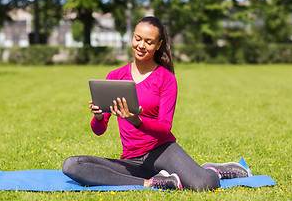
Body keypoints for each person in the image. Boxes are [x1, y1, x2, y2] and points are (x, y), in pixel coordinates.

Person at [62, 16, 249, 191]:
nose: (141, 45)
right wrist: (98, 116)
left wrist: (137, 121)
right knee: (72, 165)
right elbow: (99, 130)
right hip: (132, 159)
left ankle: (212, 171)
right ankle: (151, 183)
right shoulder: (116, 76)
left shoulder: (166, 79)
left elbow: (165, 128)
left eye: (148, 42)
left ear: (159, 45)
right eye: (137, 38)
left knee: (202, 184)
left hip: (161, 150)